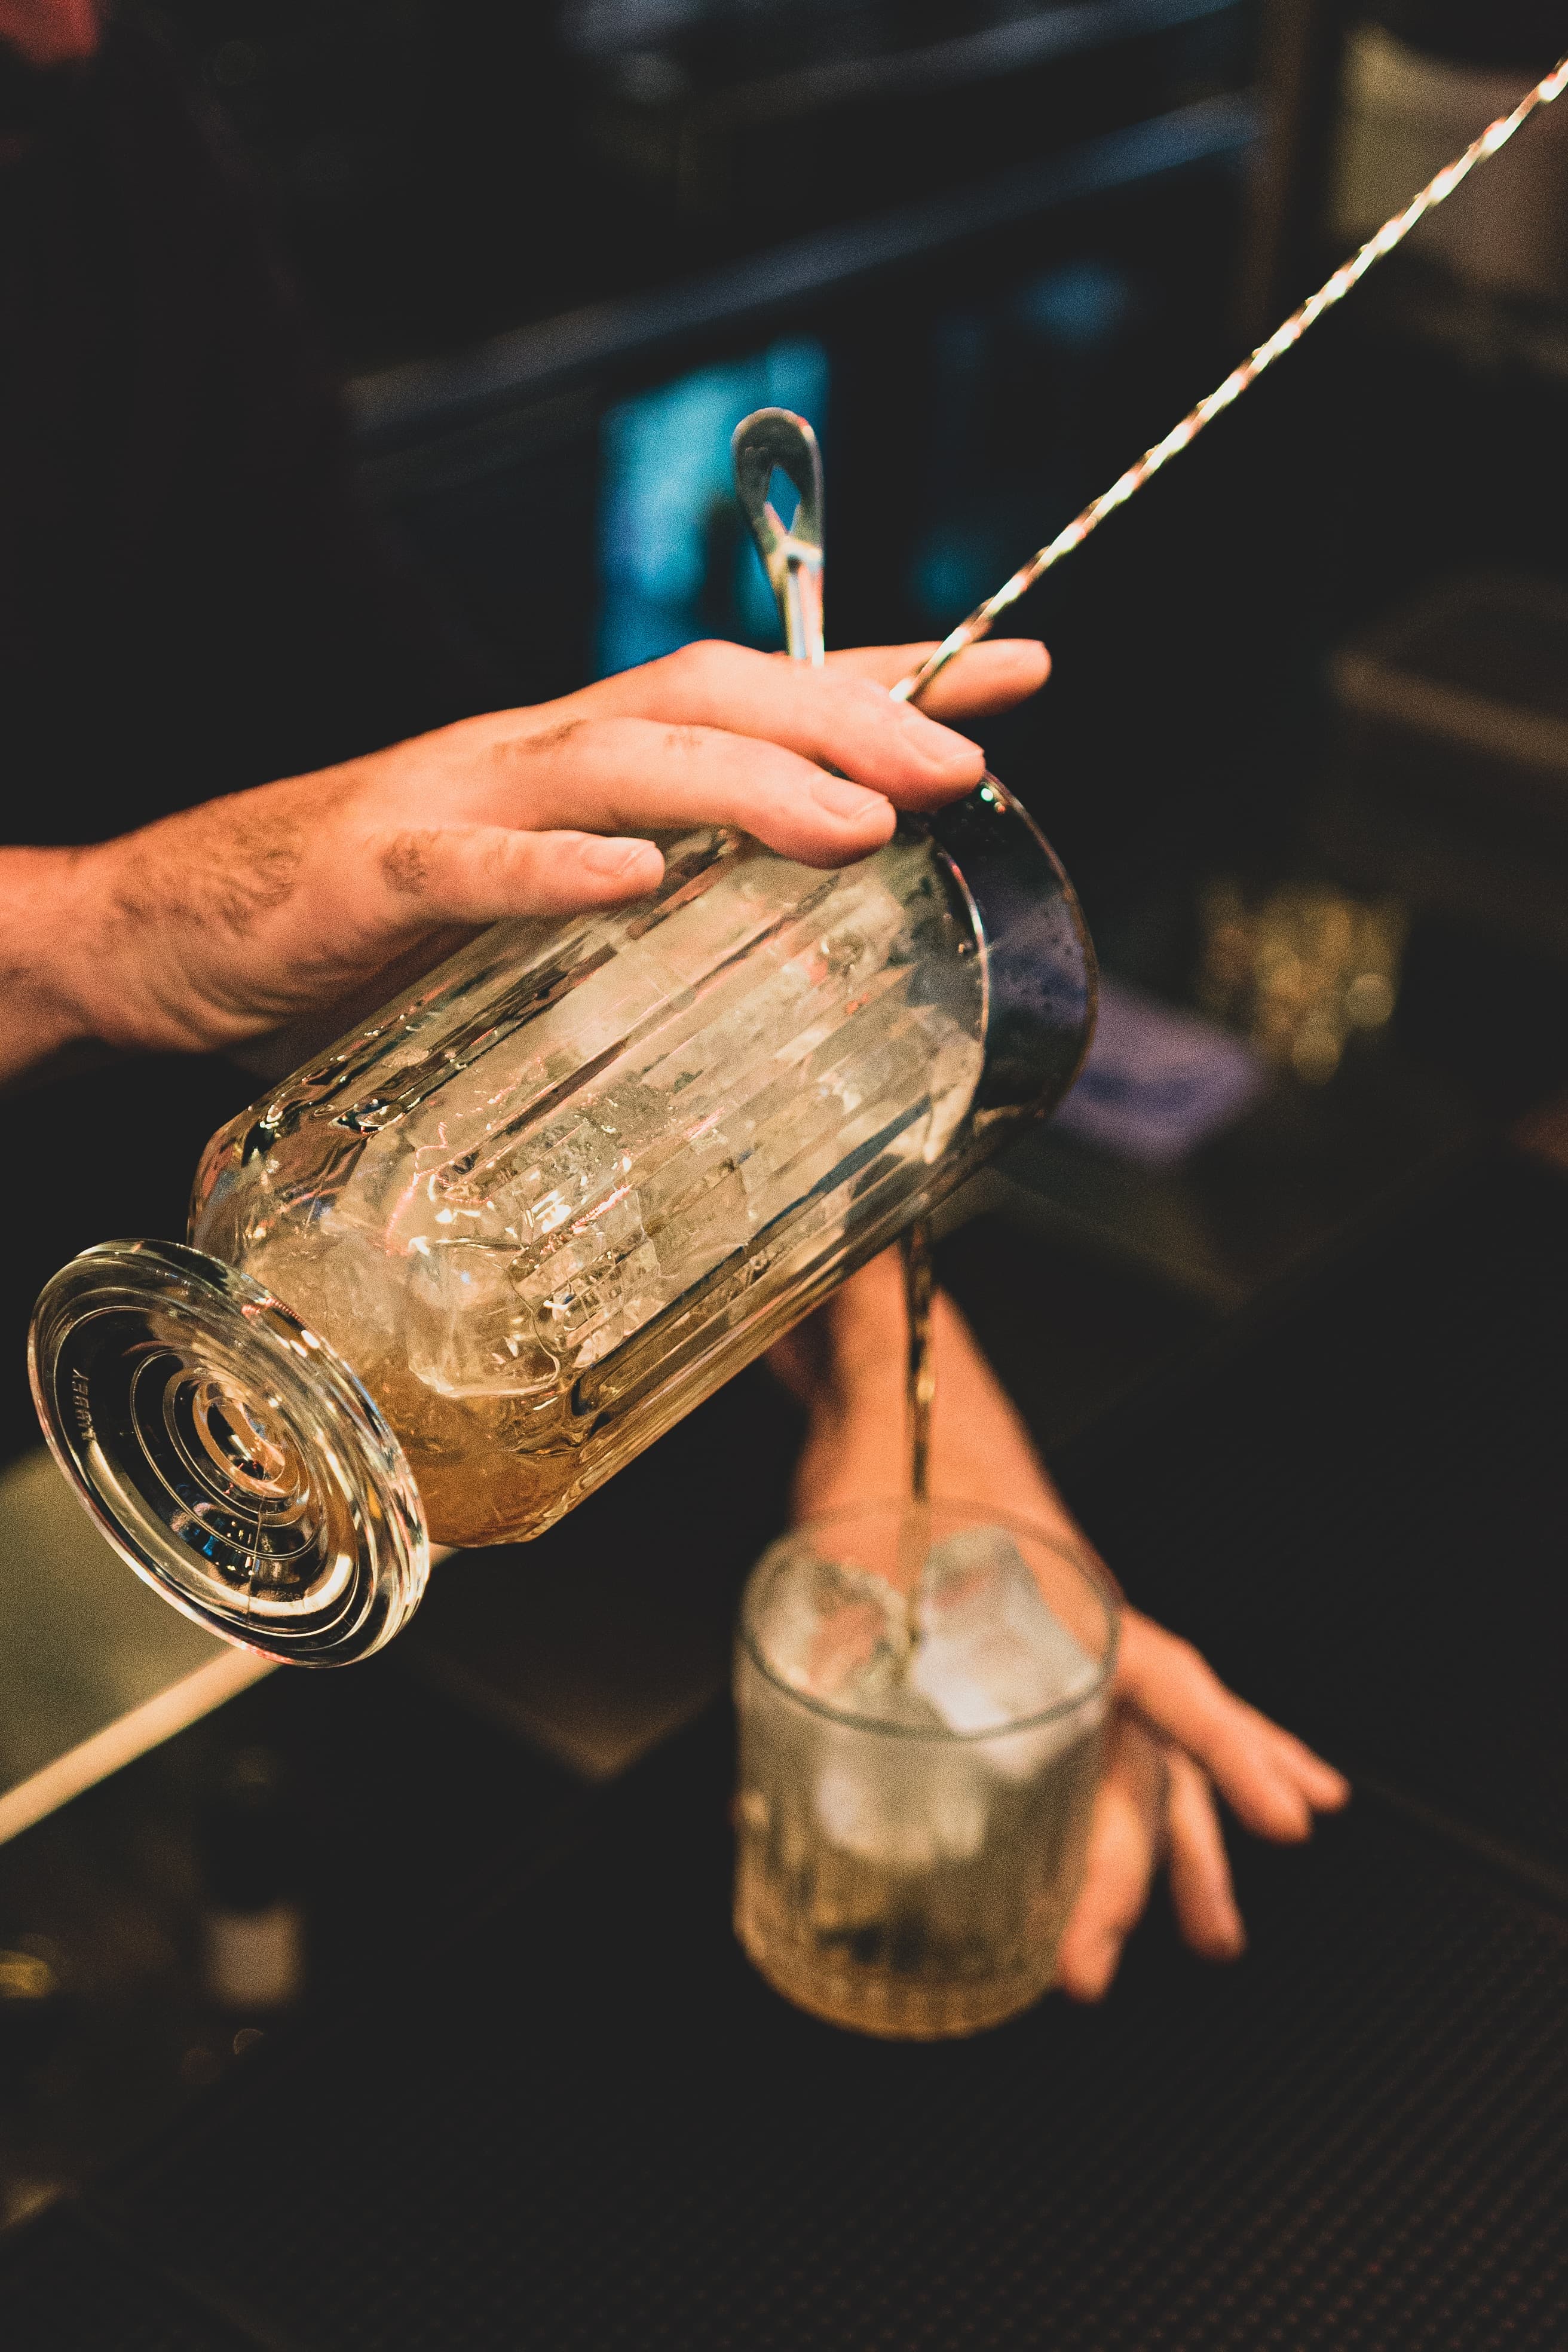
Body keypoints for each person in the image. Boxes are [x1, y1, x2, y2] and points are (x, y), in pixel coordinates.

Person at [0, 5, 1345, 2003]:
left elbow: (406, 802)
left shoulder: (82, 130)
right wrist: (92, 928)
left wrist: (914, 1423)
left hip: (196, 1363)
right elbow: (190, 907)